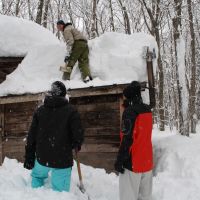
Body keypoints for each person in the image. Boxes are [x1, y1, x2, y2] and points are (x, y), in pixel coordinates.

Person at [24, 81, 84, 192]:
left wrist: (29, 156)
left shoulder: (40, 111)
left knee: (37, 177)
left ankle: (35, 195)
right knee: (60, 193)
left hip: (42, 157)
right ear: (63, 94)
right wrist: (76, 144)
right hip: (62, 158)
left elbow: (31, 136)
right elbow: (78, 135)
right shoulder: (71, 111)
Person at [114, 81, 153, 200]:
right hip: (147, 162)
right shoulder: (147, 110)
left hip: (133, 163)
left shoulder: (130, 112)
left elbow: (127, 139)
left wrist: (120, 160)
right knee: (145, 197)